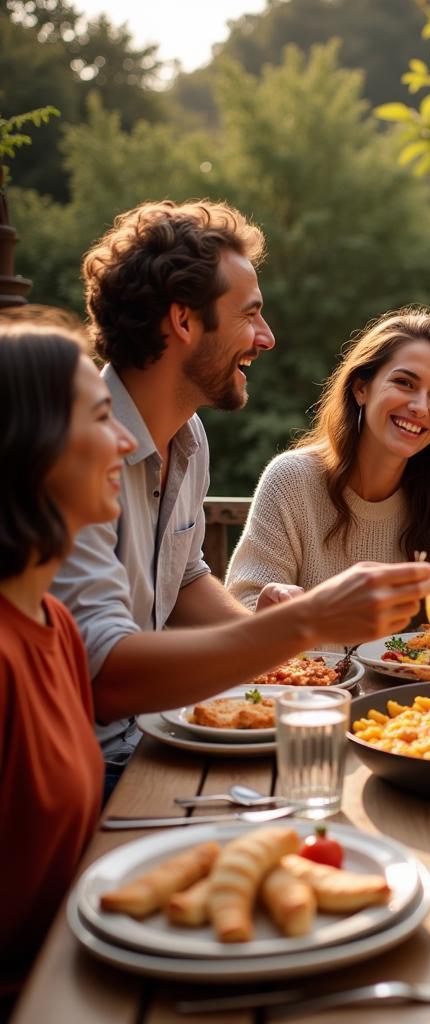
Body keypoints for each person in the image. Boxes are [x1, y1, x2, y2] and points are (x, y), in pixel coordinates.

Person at [50, 201, 430, 792]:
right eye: (250, 314)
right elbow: (104, 678)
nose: (267, 337)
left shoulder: (190, 439)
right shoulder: (73, 452)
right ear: (183, 321)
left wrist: (281, 653)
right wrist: (306, 622)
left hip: (156, 739)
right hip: (88, 771)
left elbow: (181, 579)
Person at [0, 314, 136, 1002]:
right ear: (31, 444)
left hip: (85, 967)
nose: (124, 441)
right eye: (103, 415)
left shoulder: (52, 621)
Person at [225, 308, 430, 630]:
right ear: (361, 388)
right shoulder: (291, 480)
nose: (420, 407)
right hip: (312, 678)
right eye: (404, 382)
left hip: (419, 682)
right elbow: (245, 608)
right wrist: (271, 608)